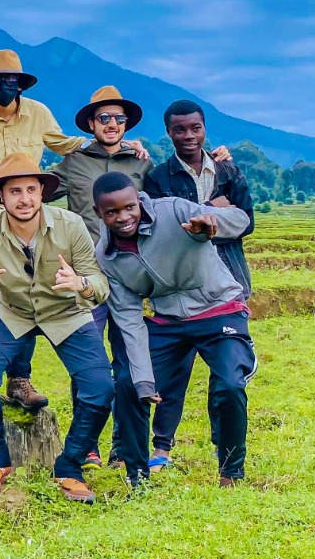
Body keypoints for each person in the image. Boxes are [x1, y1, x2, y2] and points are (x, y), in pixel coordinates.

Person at [0, 49, 141, 411]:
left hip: (24, 202)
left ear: (21, 84)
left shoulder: (38, 113)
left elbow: (65, 143)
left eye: (12, 81)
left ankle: (19, 378)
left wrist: (118, 145)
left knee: (28, 276)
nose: (5, 87)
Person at [0, 153, 113, 504]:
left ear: (42, 192)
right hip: (10, 311)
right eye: (15, 191)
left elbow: (100, 286)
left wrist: (81, 283)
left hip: (65, 311)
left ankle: (70, 464)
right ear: (2, 197)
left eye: (30, 190)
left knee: (100, 387)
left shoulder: (70, 225)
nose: (24, 199)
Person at [92, 171, 255, 486]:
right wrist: (142, 380)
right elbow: (127, 315)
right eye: (111, 212)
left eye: (129, 207)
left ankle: (231, 471)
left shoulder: (174, 210)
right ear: (99, 213)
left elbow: (239, 218)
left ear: (140, 201)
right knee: (128, 383)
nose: (123, 217)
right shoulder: (107, 255)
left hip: (218, 308)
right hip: (168, 320)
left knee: (230, 384)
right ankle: (136, 474)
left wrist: (213, 225)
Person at [141, 99, 255, 471]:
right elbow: (162, 228)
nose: (188, 136)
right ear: (169, 132)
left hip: (227, 286)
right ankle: (162, 447)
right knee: (172, 375)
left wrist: (212, 219)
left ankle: (224, 448)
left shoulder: (228, 171)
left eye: (195, 129)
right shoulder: (158, 177)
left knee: (226, 380)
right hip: (180, 288)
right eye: (179, 130)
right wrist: (210, 208)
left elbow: (247, 221)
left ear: (205, 128)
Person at [57, 85, 151, 471]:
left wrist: (218, 161)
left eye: (118, 119)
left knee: (129, 362)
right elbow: (32, 194)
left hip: (129, 274)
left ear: (126, 125)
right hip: (87, 276)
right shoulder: (72, 163)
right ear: (91, 124)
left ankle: (123, 446)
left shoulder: (142, 164)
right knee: (90, 362)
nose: (111, 125)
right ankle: (88, 444)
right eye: (104, 118)